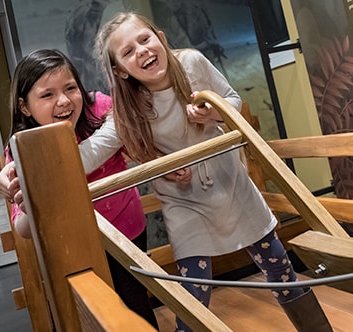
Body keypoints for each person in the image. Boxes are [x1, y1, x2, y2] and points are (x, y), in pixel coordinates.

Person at [76, 12, 333, 332]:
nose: (141, 50)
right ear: (120, 71)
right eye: (127, 52)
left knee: (279, 270)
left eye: (144, 39)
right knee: (194, 292)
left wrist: (214, 113)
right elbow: (96, 148)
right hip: (185, 203)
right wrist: (34, 166)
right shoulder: (128, 108)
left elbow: (232, 100)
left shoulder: (192, 64)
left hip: (231, 185)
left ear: (161, 39)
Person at [0, 49, 159, 329]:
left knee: (136, 307)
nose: (64, 101)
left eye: (71, 88)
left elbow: (137, 144)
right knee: (89, 314)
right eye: (47, 95)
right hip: (72, 247)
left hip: (126, 232)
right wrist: (29, 205)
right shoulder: (20, 148)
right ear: (24, 106)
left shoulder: (99, 109)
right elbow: (22, 229)